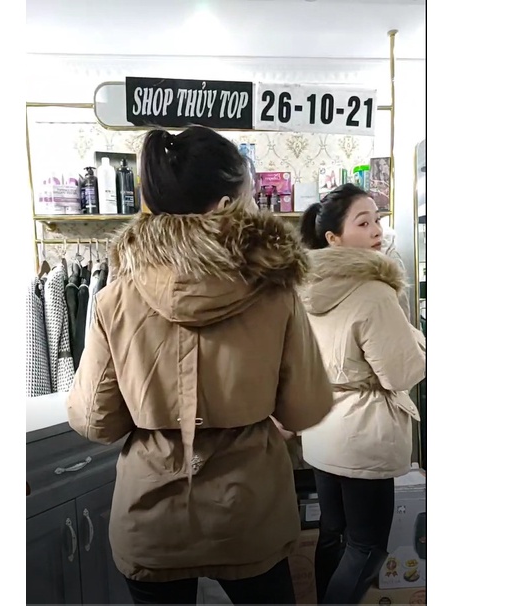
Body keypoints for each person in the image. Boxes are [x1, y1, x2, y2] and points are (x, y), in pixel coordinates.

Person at [67, 125, 334, 605]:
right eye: (249, 197)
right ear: (226, 206)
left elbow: (96, 420)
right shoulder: (276, 295)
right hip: (250, 511)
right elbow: (305, 406)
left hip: (152, 515)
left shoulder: (114, 299)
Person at [297, 184, 426, 605]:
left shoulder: (303, 287)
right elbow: (402, 372)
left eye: (377, 219)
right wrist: (420, 343)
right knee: (368, 547)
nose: (377, 230)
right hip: (364, 434)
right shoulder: (374, 292)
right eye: (363, 222)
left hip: (321, 425)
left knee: (333, 534)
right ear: (333, 238)